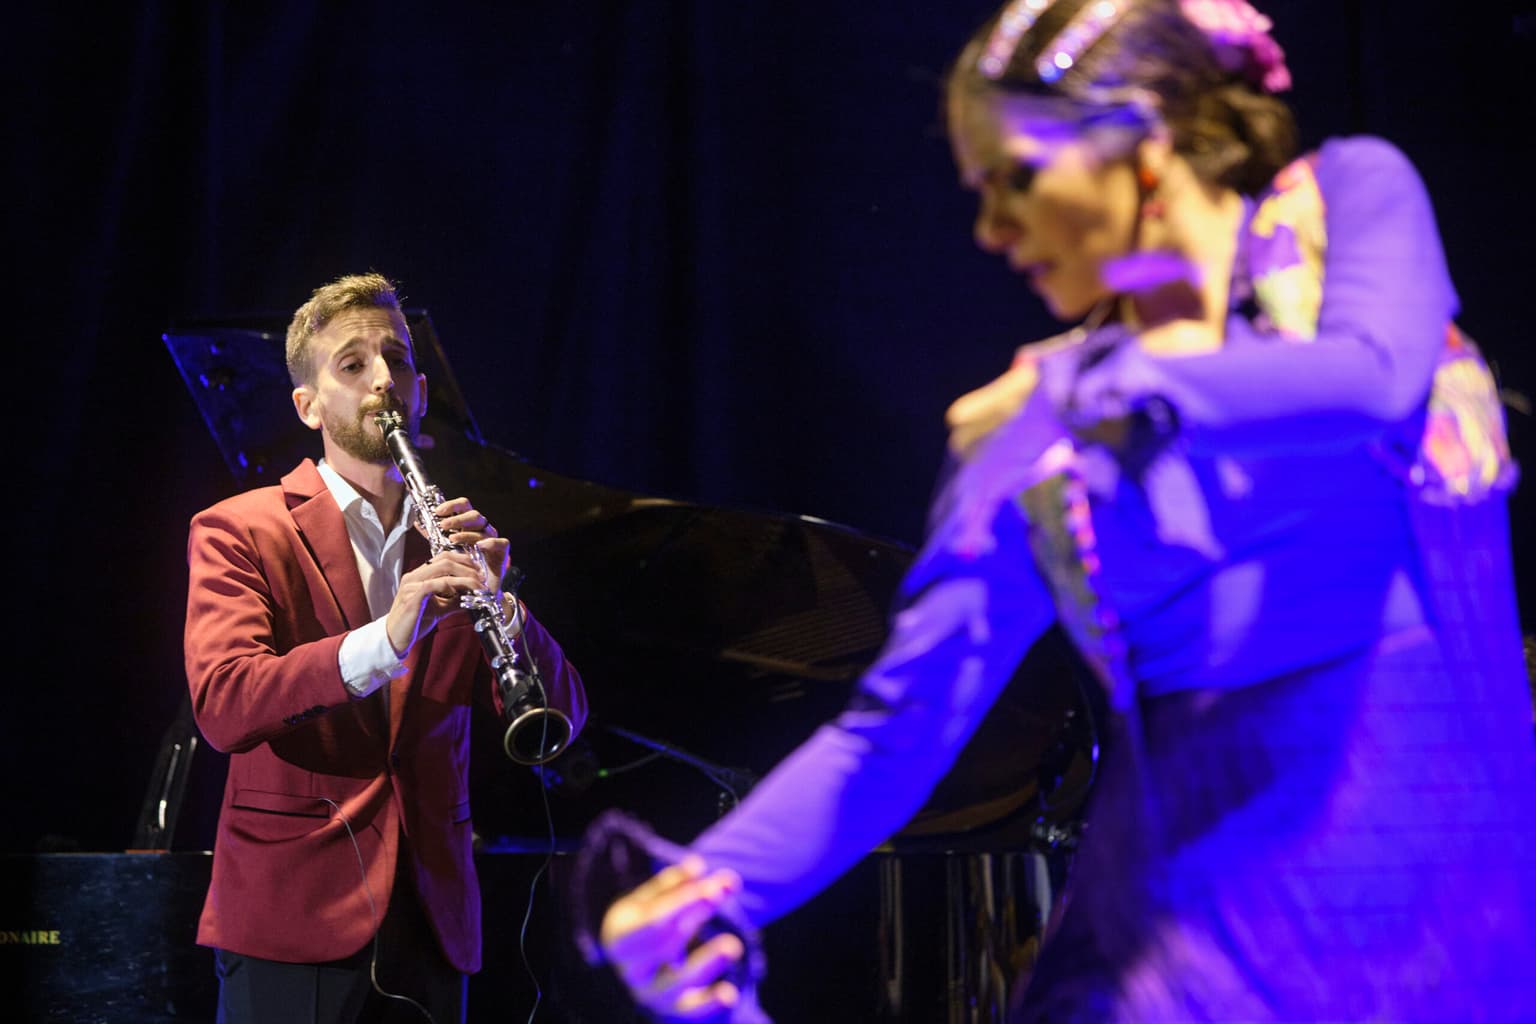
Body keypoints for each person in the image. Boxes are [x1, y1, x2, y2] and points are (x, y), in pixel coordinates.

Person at [582, 0, 1536, 1020]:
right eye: (979, 194)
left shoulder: (1344, 206)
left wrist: (1084, 390)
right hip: (1202, 961)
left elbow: (1377, 382)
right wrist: (703, 890)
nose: (991, 232)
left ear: (1141, 140)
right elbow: (892, 732)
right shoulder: (1032, 444)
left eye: (1018, 179)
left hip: (1463, 928)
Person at [183, 271, 588, 1024]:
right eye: (353, 364)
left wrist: (504, 606)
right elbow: (225, 705)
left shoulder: (455, 541)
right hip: (293, 916)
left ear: (424, 390)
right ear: (307, 406)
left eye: (397, 360)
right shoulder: (240, 529)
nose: (383, 380)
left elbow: (564, 715)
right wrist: (388, 635)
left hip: (431, 920)